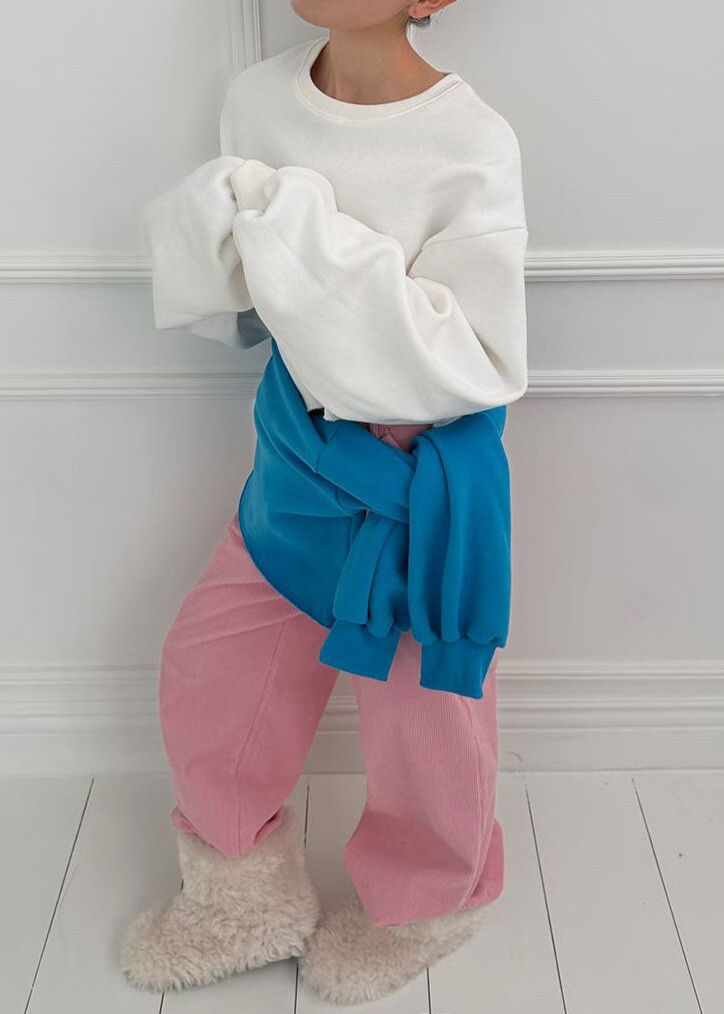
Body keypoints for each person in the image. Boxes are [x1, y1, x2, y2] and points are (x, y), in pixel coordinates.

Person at [120, 0, 529, 1005]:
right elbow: (249, 298)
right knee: (212, 671)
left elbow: (476, 356)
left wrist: (298, 225)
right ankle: (240, 894)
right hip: (296, 457)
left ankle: (428, 903)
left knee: (425, 721)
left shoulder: (469, 141)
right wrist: (233, 230)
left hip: (412, 484)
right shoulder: (257, 99)